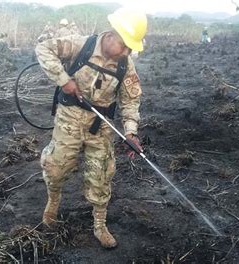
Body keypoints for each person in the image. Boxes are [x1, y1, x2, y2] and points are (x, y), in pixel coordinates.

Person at [35, 7, 147, 248]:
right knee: (55, 168)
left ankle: (99, 224)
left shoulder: (125, 64)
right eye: (125, 45)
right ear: (113, 35)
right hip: (69, 119)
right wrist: (64, 80)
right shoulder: (80, 45)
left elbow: (131, 100)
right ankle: (53, 202)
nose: (127, 52)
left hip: (101, 126)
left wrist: (130, 132)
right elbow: (43, 49)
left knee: (101, 176)